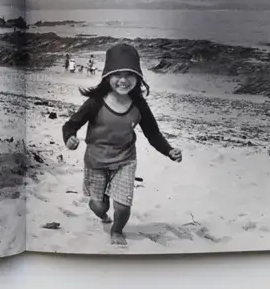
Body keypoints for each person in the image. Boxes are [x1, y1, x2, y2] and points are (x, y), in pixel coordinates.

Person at [62, 43, 182, 245]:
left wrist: (169, 150)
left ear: (138, 78)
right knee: (100, 206)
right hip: (96, 161)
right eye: (118, 74)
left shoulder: (139, 105)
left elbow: (153, 134)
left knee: (123, 206)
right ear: (107, 76)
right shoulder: (96, 102)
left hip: (125, 161)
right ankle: (102, 214)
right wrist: (70, 138)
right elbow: (71, 124)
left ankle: (117, 231)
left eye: (130, 74)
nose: (124, 80)